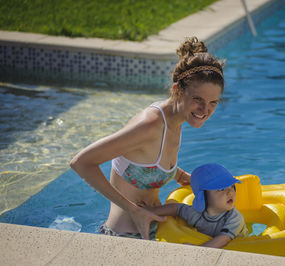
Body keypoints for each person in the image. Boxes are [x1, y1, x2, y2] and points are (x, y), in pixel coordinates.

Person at [69, 37, 225, 240]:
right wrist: (133, 210)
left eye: (213, 102)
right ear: (178, 90)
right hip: (124, 237)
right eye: (198, 99)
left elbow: (144, 160)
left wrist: (177, 175)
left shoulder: (177, 118)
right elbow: (81, 162)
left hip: (154, 230)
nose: (205, 110)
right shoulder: (150, 125)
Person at [146, 163, 248, 248]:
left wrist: (199, 250)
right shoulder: (195, 213)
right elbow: (176, 208)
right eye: (221, 189)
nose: (230, 192)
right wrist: (150, 211)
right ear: (203, 196)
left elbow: (224, 239)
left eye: (231, 186)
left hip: (241, 246)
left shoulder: (234, 218)